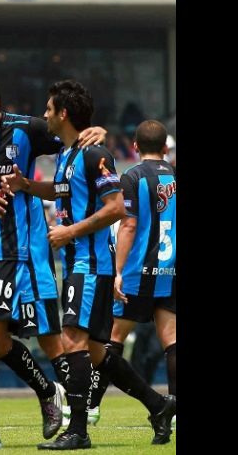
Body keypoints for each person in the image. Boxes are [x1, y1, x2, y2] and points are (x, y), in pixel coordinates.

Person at [0, 70, 106, 450]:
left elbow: (72, 133)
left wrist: (98, 132)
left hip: (10, 251)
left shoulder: (26, 130)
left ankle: (47, 392)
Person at [2, 80, 175, 449]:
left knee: (71, 341)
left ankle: (78, 431)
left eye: (49, 109)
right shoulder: (67, 154)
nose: (45, 114)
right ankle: (159, 405)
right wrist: (26, 185)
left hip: (90, 264)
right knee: (97, 352)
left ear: (63, 113)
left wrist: (70, 232)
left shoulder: (94, 152)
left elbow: (115, 209)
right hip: (78, 263)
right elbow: (61, 190)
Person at [79, 119, 177, 428]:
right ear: (165, 148)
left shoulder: (132, 177)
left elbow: (129, 225)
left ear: (134, 147)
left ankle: (92, 405)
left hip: (138, 270)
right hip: (171, 268)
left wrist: (118, 271)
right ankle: (174, 407)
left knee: (112, 339)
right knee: (171, 339)